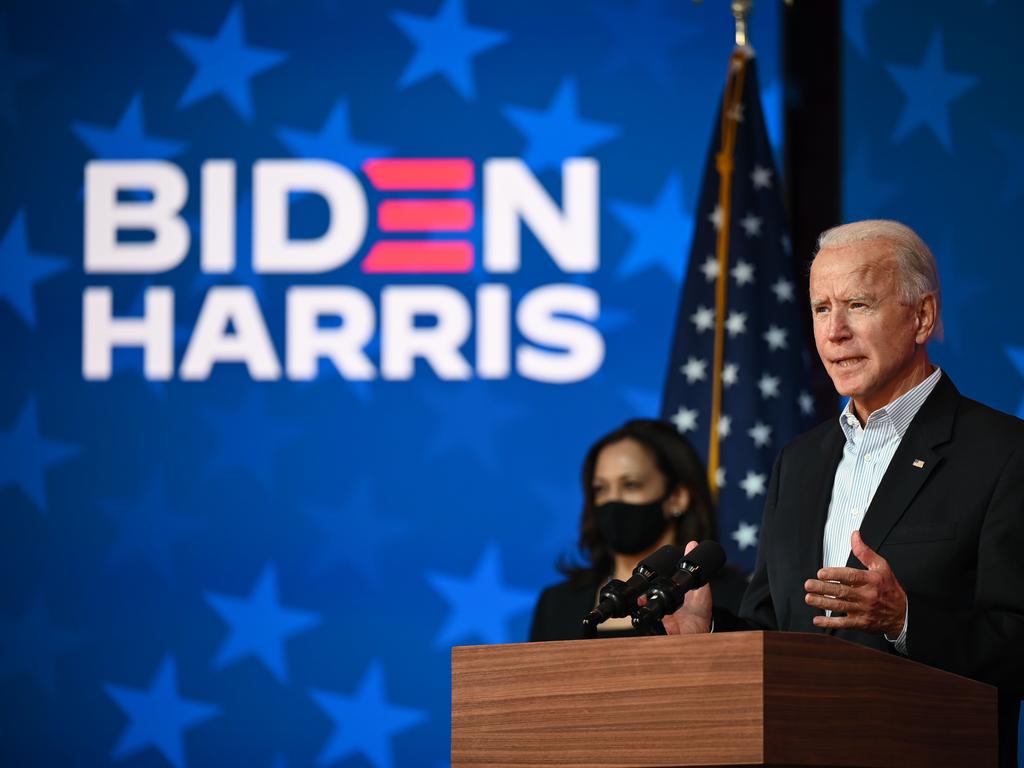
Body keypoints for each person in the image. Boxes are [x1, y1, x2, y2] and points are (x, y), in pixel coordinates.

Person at [664, 220, 1024, 767]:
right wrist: (709, 633)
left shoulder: (1003, 454)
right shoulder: (798, 463)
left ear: (921, 316)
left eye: (857, 304)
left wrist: (905, 621)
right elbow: (775, 633)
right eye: (821, 309)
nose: (835, 332)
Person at [529, 418, 747, 642]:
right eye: (601, 488)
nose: (613, 500)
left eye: (630, 485)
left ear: (677, 498)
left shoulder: (730, 596)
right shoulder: (558, 604)